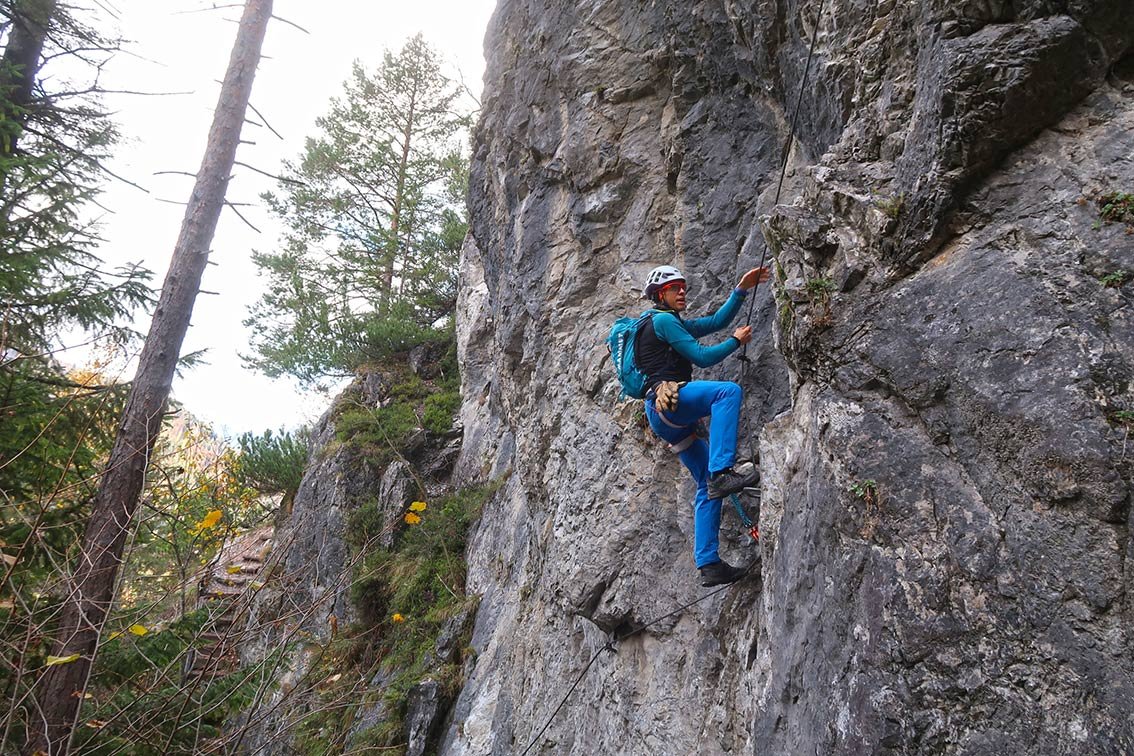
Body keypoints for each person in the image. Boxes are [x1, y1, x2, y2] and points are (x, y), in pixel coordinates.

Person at [636, 264, 768, 586]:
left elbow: (716, 322)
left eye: (683, 286)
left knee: (705, 483)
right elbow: (703, 357)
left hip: (662, 417)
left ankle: (709, 563)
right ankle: (723, 471)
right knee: (727, 393)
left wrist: (741, 289)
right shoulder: (663, 321)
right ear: (660, 295)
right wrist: (735, 342)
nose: (682, 291)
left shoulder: (668, 322)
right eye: (674, 288)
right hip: (669, 402)